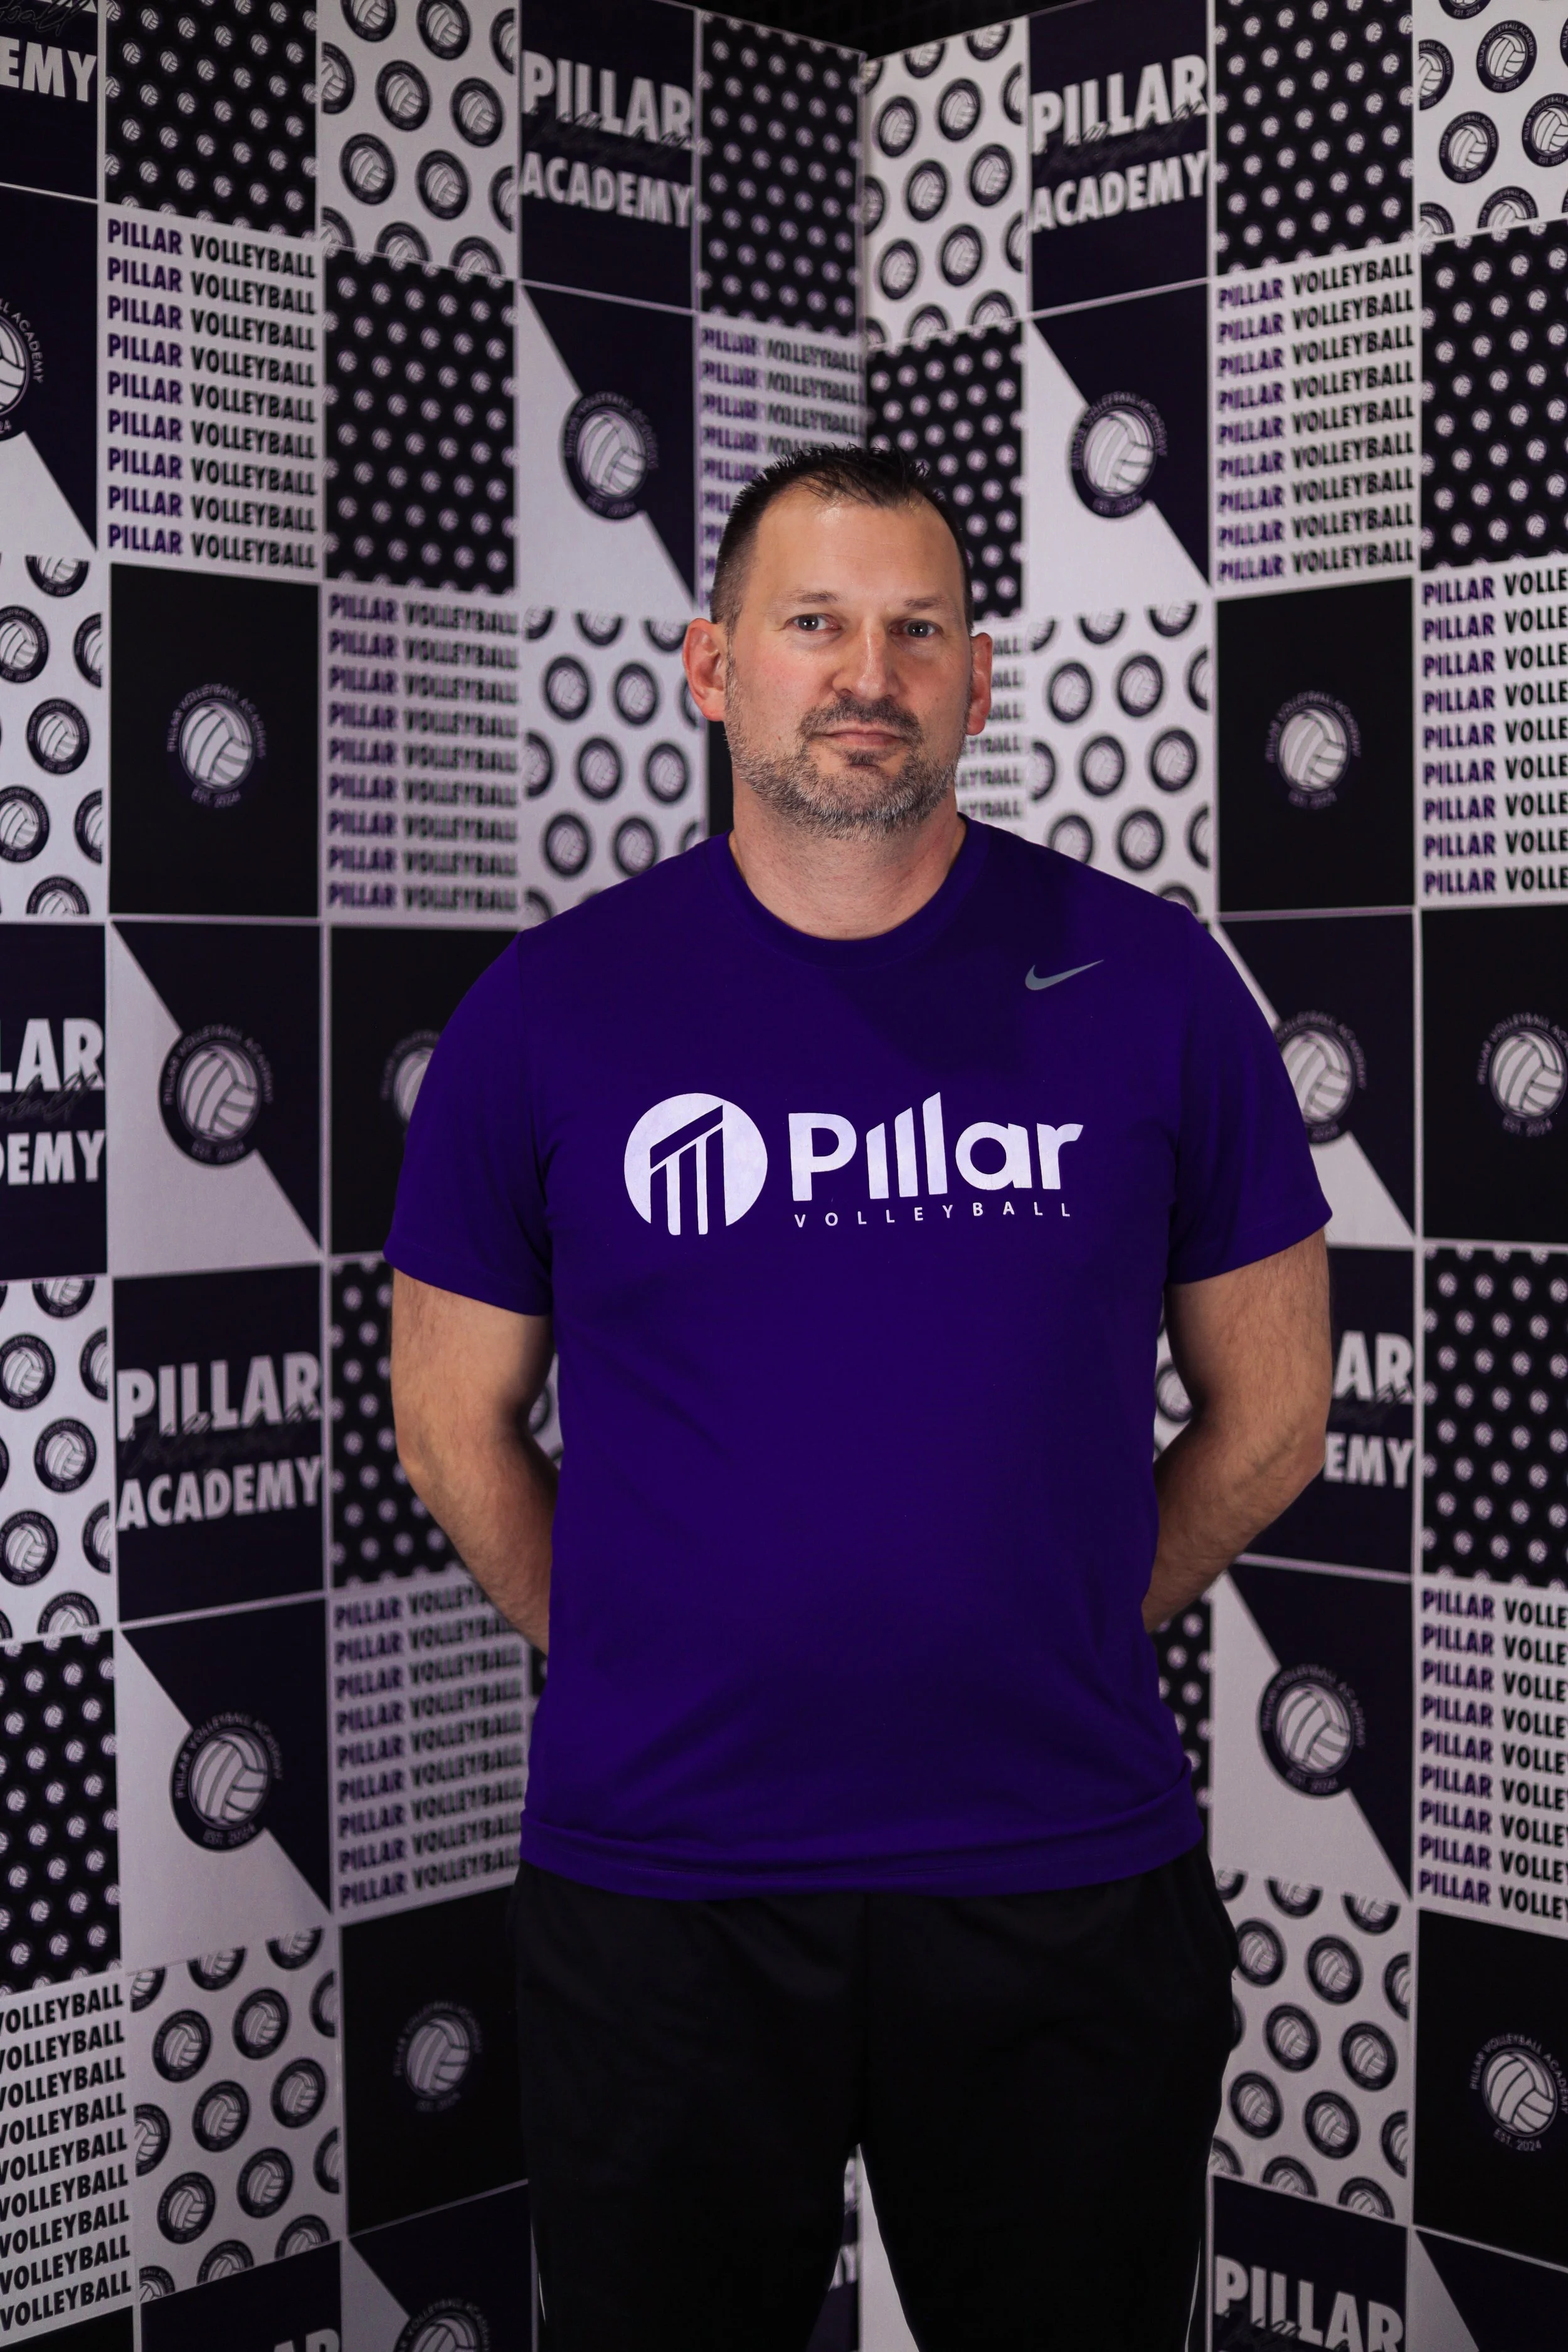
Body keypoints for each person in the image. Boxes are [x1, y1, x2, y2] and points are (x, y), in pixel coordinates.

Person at [387, 447, 1332, 2351]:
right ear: (708, 664)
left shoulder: (1150, 984)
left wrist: (1055, 1610)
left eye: (915, 628)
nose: (865, 670)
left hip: (1059, 1871)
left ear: (979, 679)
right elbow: (450, 1422)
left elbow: (1274, 1413)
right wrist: (644, 1643)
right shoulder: (549, 1012)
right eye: (811, 622)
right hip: (664, 1887)